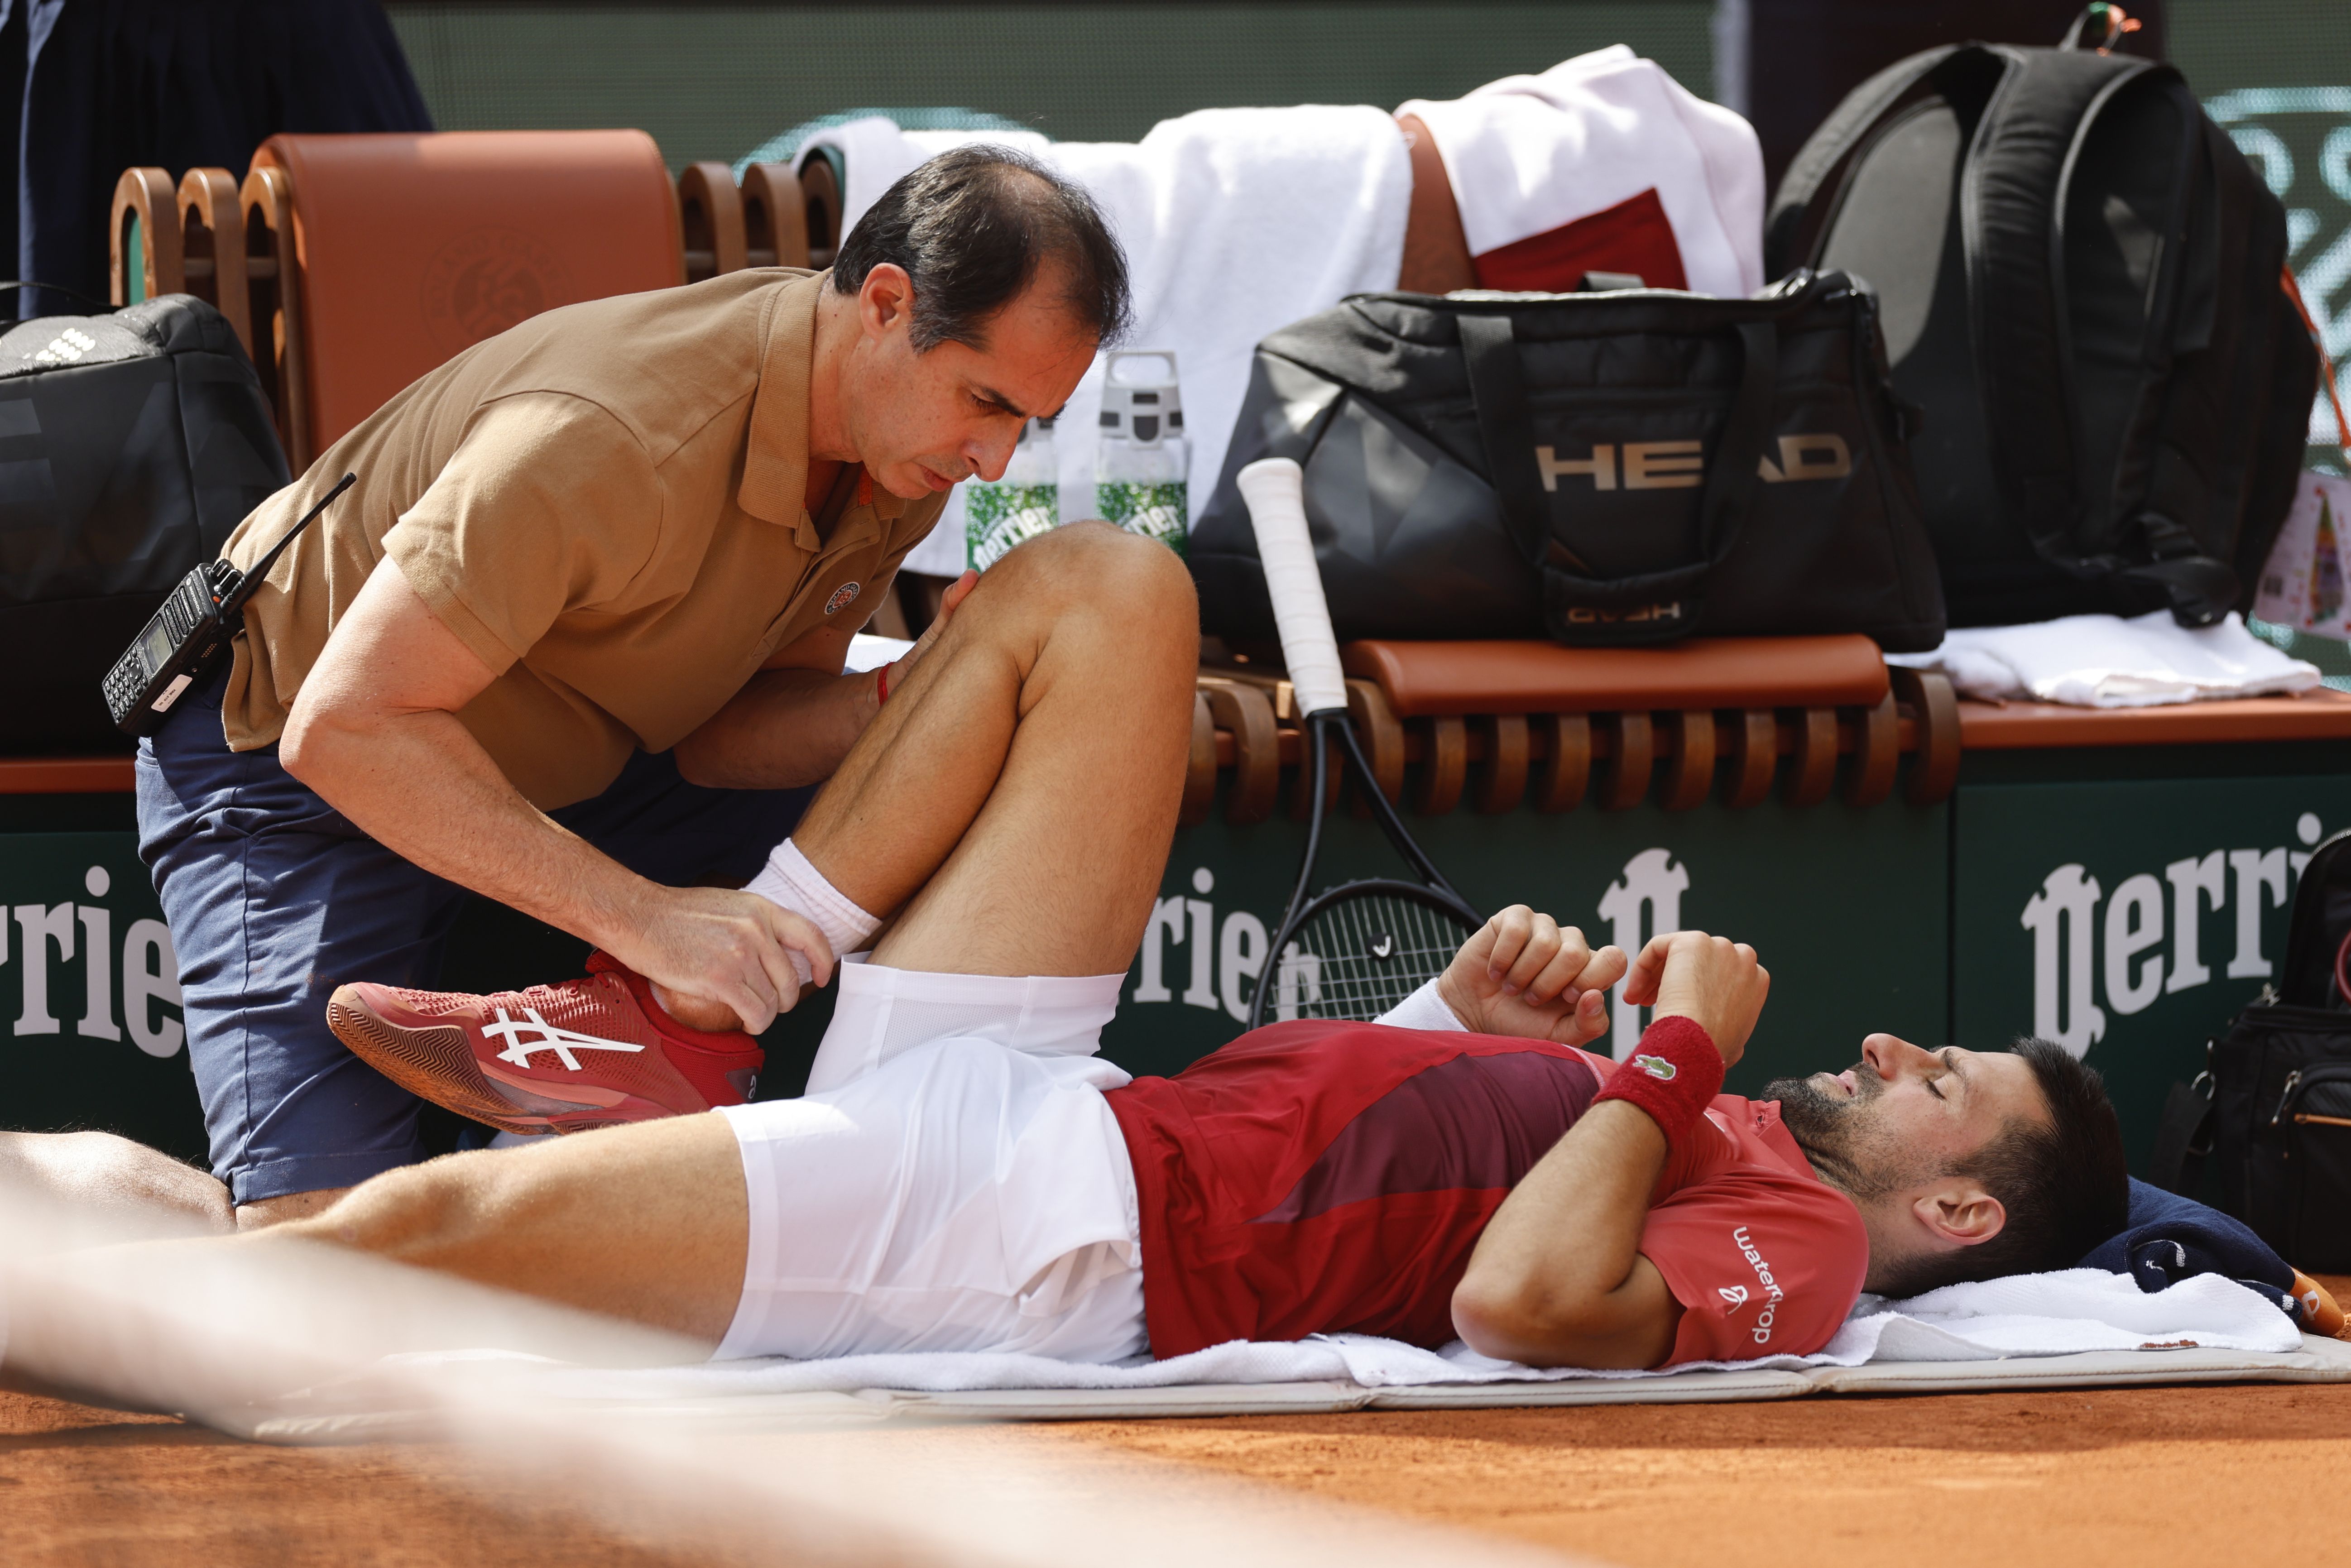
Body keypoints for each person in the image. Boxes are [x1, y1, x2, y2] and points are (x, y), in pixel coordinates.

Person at [20, 521, 2130, 1371]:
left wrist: (1661, 1064)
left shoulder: (1806, 1246)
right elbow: (1380, 1158)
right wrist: (1455, 1018)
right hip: (1071, 1105)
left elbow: (1515, 1296)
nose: (1889, 1045)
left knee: (384, 1242)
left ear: (1954, 1206)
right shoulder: (1697, 1146)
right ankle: (685, 1006)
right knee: (1104, 592)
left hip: (1040, 1229)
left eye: (1941, 1079)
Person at [134, 146, 1129, 1227]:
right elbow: (346, 728)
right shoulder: (608, 431)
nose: (995, 460)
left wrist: (914, 693)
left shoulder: (896, 454)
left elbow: (727, 738)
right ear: (887, 306)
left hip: (579, 769)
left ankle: (666, 1062)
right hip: (301, 769)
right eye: (986, 401)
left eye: (1027, 421)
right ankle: (47, 1217)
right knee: (326, 1254)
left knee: (939, 769)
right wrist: (649, 922)